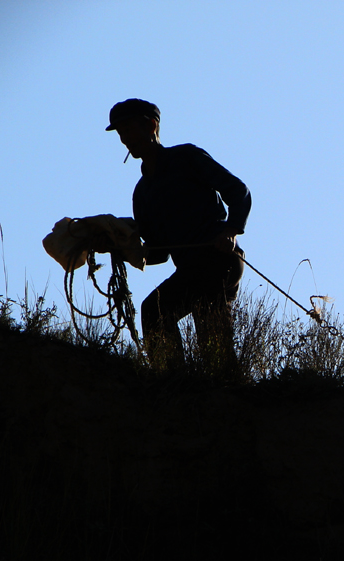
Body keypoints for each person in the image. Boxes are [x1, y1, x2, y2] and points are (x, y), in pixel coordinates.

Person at [106, 98, 252, 370]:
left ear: (151, 126)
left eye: (129, 129)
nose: (125, 139)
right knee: (155, 312)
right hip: (190, 269)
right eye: (120, 133)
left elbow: (239, 191)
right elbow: (158, 252)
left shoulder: (186, 158)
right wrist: (121, 247)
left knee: (206, 322)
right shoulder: (142, 192)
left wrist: (231, 231)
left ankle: (216, 387)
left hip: (218, 258)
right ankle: (173, 380)